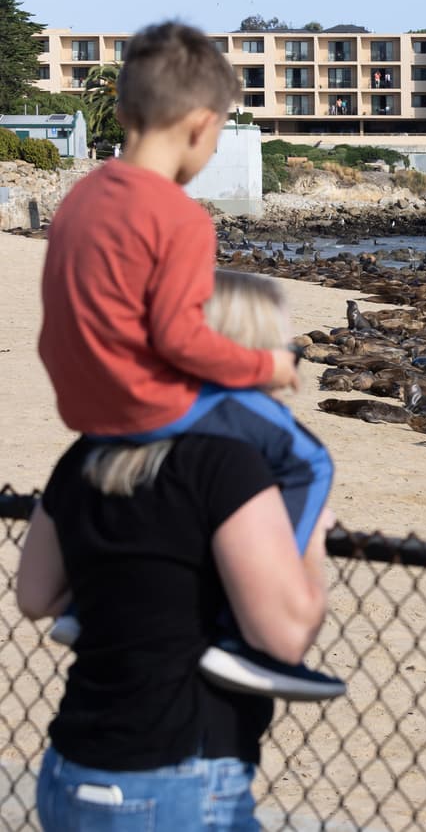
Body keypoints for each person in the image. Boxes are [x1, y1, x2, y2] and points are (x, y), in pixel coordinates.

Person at [37, 21, 338, 700]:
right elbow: (179, 340)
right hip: (147, 402)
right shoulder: (178, 217)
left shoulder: (79, 199)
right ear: (204, 127)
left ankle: (89, 604)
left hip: (87, 405)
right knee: (308, 459)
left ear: (120, 112)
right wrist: (269, 367)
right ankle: (245, 631)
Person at [17, 270, 333, 831]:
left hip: (71, 767)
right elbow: (284, 636)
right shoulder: (229, 468)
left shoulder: (90, 451)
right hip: (179, 778)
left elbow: (35, 595)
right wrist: (311, 542)